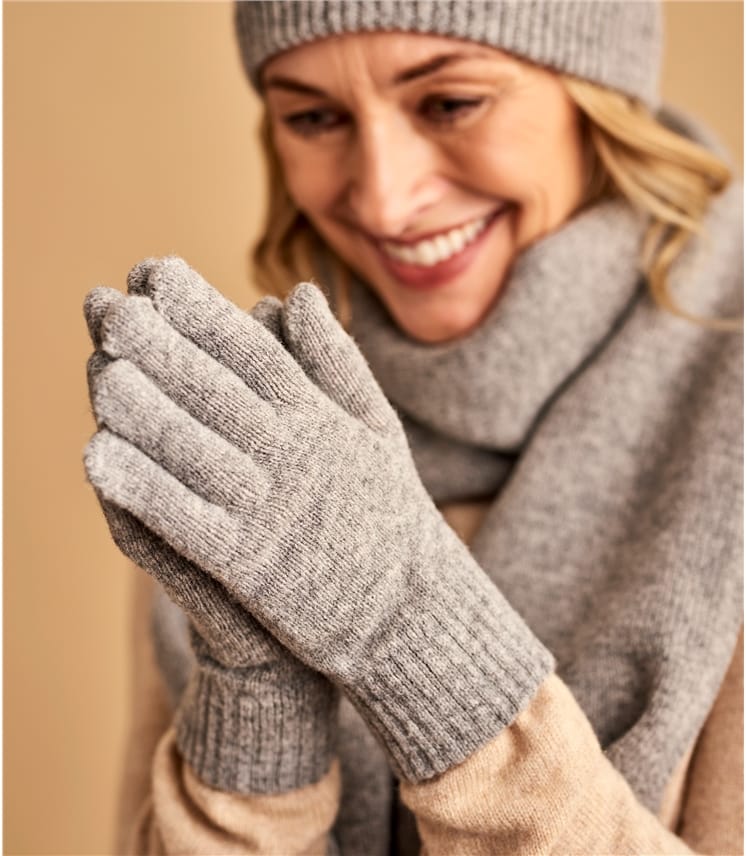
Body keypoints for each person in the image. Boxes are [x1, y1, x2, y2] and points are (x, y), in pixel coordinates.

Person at [83, 1, 743, 853]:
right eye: (314, 117)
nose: (386, 200)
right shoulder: (254, 437)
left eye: (450, 103)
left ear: (596, 90)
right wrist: (255, 725)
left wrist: (416, 640)